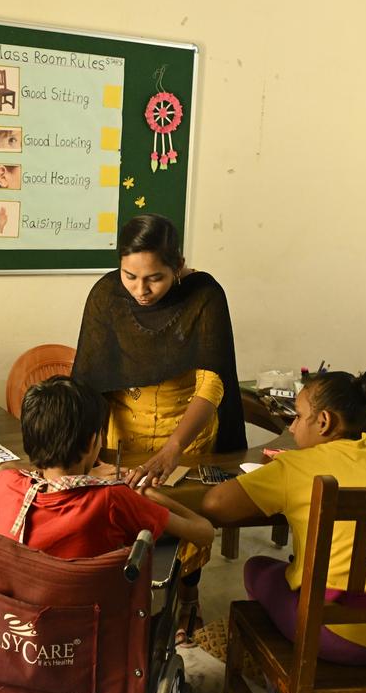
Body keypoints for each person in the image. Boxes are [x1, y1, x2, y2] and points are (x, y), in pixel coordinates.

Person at [73, 213, 245, 637]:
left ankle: (188, 598)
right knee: (128, 513)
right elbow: (90, 381)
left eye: (155, 278)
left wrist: (173, 449)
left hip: (186, 429)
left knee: (184, 512)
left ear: (179, 267)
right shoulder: (106, 294)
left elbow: (212, 382)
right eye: (130, 276)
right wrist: (89, 454)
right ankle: (128, 605)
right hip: (122, 433)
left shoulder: (205, 295)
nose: (141, 290)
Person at [201, 370, 366, 666]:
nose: (293, 428)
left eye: (297, 416)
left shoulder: (297, 467)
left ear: (324, 421)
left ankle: (289, 675)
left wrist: (279, 485)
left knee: (256, 569)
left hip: (341, 635)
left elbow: (215, 504)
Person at [0, 375, 214, 557]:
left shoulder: (8, 482)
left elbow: (6, 467)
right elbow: (204, 533)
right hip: (92, 610)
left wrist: (83, 474)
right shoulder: (114, 499)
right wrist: (148, 495)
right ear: (92, 442)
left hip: (17, 608)